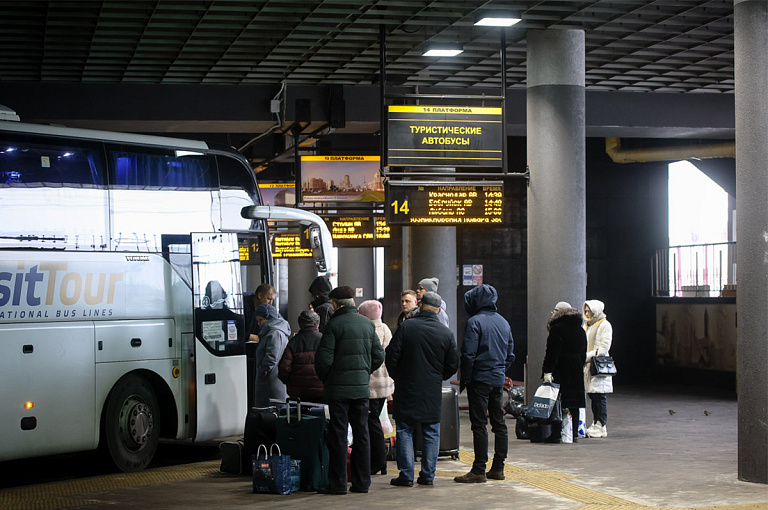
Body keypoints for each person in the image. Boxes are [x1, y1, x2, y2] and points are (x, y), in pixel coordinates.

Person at [315, 286, 384, 495]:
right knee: (362, 434)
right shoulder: (367, 324)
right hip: (361, 390)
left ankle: (338, 484)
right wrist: (364, 372)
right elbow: (379, 355)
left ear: (335, 304)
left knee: (338, 435)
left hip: (338, 391)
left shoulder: (333, 325)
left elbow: (323, 360)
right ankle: (362, 483)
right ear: (353, 302)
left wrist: (330, 378)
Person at [386, 291, 458, 487]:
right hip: (431, 389)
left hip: (406, 387)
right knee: (431, 431)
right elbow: (453, 364)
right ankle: (427, 475)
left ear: (421, 306)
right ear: (439, 310)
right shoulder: (446, 333)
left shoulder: (406, 327)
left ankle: (406, 475)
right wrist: (438, 377)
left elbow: (391, 356)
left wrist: (398, 376)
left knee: (404, 430)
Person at [454, 284, 515, 483]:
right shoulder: (504, 323)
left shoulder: (474, 322)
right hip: (497, 380)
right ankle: (498, 468)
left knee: (479, 424)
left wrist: (467, 379)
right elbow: (510, 354)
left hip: (479, 379)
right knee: (499, 424)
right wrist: (499, 370)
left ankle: (479, 469)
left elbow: (468, 354)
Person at [357, 299, 395, 476]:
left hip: (371, 383)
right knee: (375, 421)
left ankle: (378, 461)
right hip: (384, 383)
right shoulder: (385, 329)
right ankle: (381, 462)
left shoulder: (366, 330)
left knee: (371, 422)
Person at [542, 301, 587, 444]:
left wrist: (547, 371)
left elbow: (552, 353)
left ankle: (556, 433)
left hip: (560, 368)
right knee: (575, 403)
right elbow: (583, 353)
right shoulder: (580, 329)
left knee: (557, 401)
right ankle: (573, 434)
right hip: (576, 368)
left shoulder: (557, 329)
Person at [277, 310, 324, 403]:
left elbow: (284, 368)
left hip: (297, 392)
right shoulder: (324, 340)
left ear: (300, 324)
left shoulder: (293, 342)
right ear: (317, 324)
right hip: (321, 390)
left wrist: (290, 382)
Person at [583, 299, 613, 438]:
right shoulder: (587, 325)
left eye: (589, 311)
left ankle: (601, 424)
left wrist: (586, 356)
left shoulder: (604, 325)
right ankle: (595, 423)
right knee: (593, 396)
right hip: (589, 366)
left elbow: (603, 348)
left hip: (598, 366)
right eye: (586, 311)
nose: (587, 313)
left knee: (599, 396)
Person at [252, 303, 290, 407]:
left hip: (270, 381)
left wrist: (261, 371)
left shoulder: (274, 334)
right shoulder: (274, 332)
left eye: (261, 320)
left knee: (269, 411)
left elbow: (271, 358)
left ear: (269, 318)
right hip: (271, 379)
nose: (259, 323)